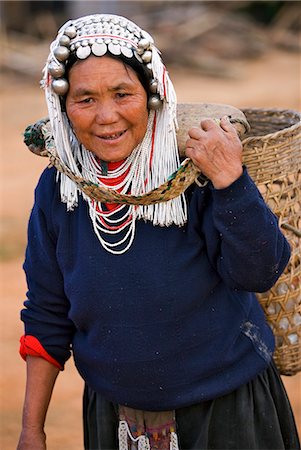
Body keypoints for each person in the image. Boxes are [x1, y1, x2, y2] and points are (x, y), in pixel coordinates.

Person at [17, 13, 300, 450]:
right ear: (61, 106)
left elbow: (259, 273)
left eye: (122, 93)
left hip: (227, 411)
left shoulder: (195, 176)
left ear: (153, 96)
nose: (106, 116)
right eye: (85, 99)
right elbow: (47, 312)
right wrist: (31, 430)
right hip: (113, 416)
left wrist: (230, 181)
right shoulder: (60, 191)